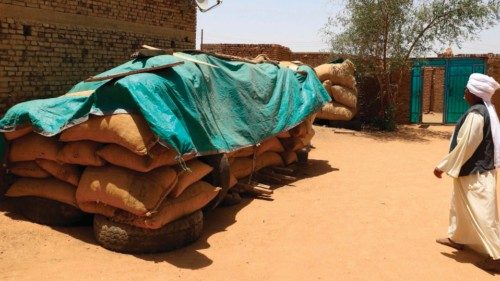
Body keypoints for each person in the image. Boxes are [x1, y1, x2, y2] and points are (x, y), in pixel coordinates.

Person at [434, 73, 500, 272]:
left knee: (484, 215)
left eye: (466, 89)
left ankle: (497, 257)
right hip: (470, 173)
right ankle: (457, 238)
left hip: (476, 175)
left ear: (473, 92)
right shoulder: (482, 111)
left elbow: (466, 146)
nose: (464, 92)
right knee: (460, 207)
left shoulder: (476, 114)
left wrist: (442, 165)